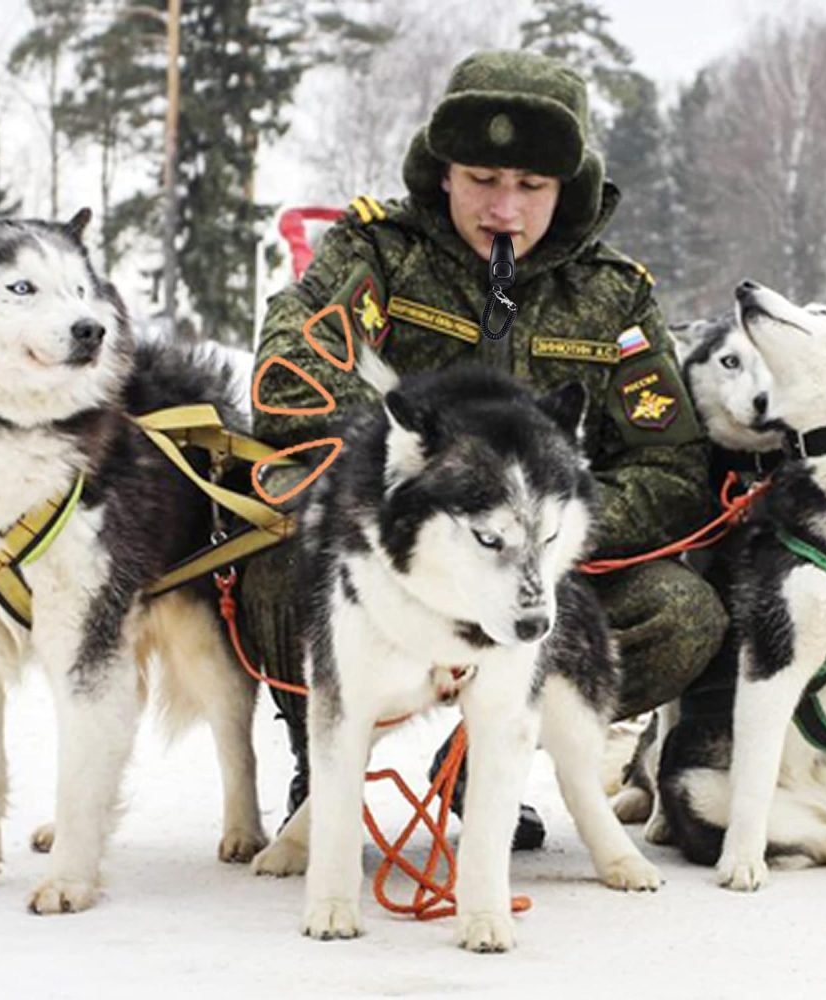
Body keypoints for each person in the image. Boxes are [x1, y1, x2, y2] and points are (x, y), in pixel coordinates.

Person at [240, 49, 728, 848]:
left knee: (680, 613)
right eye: (482, 180)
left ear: (566, 189)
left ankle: (484, 757)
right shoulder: (376, 253)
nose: (504, 209)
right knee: (272, 571)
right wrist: (404, 497)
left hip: (537, 572)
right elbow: (293, 377)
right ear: (442, 173)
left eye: (532, 188)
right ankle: (326, 748)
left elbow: (670, 469)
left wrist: (547, 517)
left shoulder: (615, 294)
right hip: (391, 555)